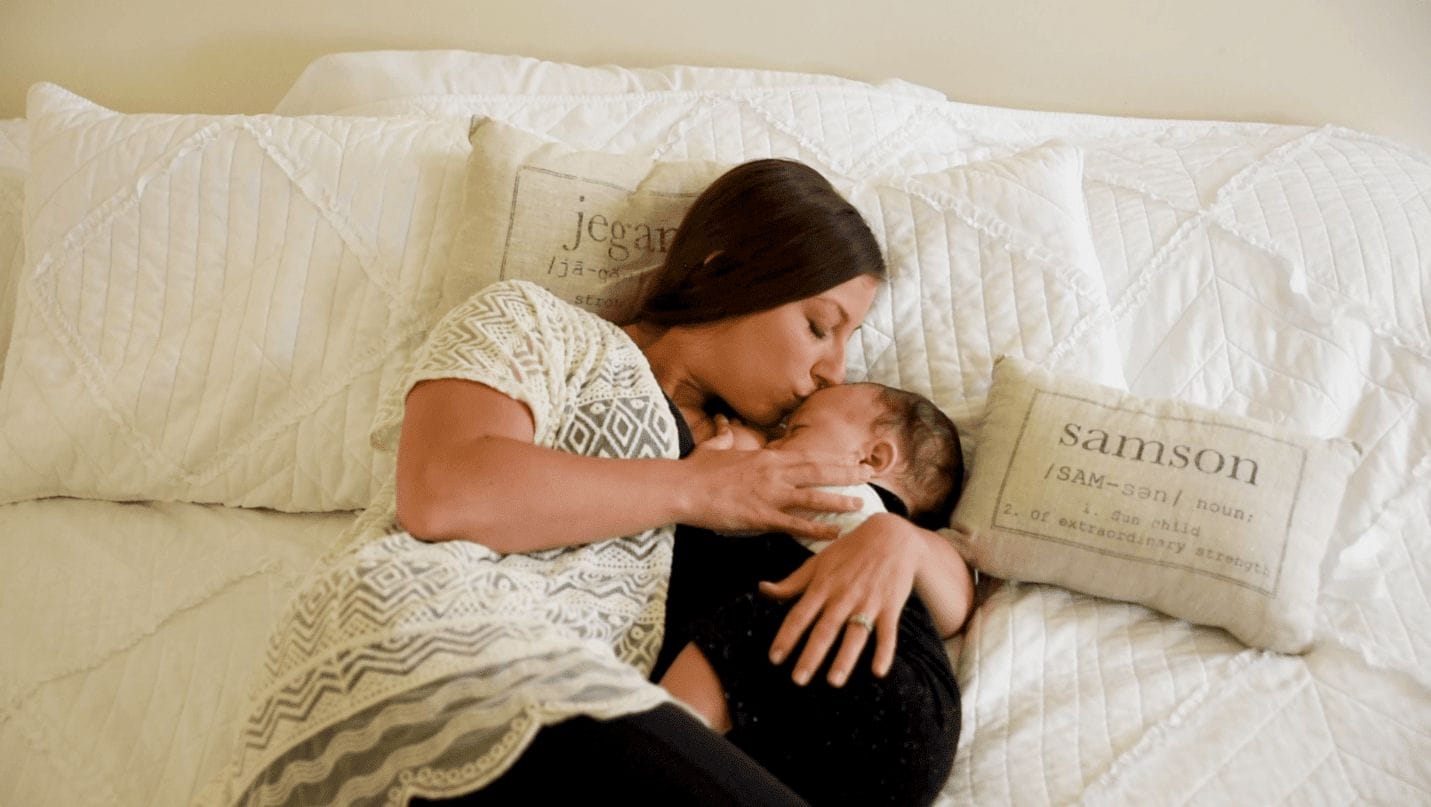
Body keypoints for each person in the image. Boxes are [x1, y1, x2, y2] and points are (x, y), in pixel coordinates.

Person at [225, 158, 974, 807]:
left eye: (848, 341)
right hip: (427, 633)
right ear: (724, 268)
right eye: (819, 325)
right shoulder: (537, 323)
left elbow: (942, 579)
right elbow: (444, 490)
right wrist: (698, 488)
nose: (833, 370)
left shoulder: (752, 454)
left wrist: (895, 540)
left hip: (596, 728)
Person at [656, 381, 967, 807]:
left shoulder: (844, 496)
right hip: (900, 740)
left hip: (875, 681)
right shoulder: (898, 547)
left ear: (871, 458)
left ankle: (646, 745)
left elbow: (717, 498)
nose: (774, 442)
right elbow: (952, 614)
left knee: (759, 626)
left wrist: (732, 452)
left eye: (793, 430)